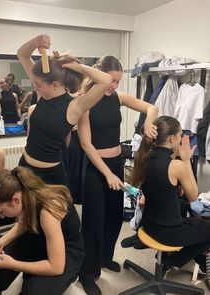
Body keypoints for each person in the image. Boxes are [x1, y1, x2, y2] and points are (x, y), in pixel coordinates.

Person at [77, 55, 158, 295]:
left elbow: (151, 107)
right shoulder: (85, 102)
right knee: (93, 220)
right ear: (98, 75)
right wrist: (107, 174)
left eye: (117, 82)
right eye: (111, 80)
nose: (113, 86)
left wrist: (147, 123)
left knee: (113, 217)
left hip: (116, 163)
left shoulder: (118, 98)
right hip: (94, 166)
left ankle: (104, 258)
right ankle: (87, 273)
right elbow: (86, 145)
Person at [17, 34, 111, 185]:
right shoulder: (43, 92)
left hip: (51, 177)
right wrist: (36, 42)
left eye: (38, 85)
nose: (36, 88)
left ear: (54, 85)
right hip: (25, 168)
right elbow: (22, 54)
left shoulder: (75, 106)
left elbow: (105, 80)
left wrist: (76, 67)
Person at [0, 166, 84, 295]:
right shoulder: (24, 194)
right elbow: (24, 223)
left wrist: (13, 264)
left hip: (64, 252)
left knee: (33, 291)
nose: (1, 217)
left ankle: (70, 276)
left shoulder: (49, 212)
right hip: (37, 234)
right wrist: (0, 243)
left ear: (15, 200)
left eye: (1, 212)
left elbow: (56, 267)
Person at [132, 116, 210, 273]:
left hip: (149, 224)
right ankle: (170, 261)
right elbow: (194, 197)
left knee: (183, 206)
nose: (181, 139)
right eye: (180, 135)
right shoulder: (176, 166)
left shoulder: (144, 156)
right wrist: (186, 160)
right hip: (167, 233)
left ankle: (185, 258)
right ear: (172, 138)